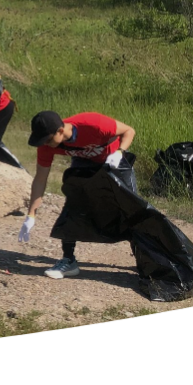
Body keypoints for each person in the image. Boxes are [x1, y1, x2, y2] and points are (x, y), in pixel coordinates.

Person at [19, 110, 136, 279]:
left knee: (131, 210)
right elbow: (40, 179)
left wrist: (120, 152)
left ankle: (146, 260)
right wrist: (31, 215)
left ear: (60, 131)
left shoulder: (93, 124)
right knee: (72, 203)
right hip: (85, 162)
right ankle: (69, 261)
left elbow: (129, 131)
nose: (45, 143)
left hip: (113, 160)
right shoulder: (46, 146)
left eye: (48, 139)